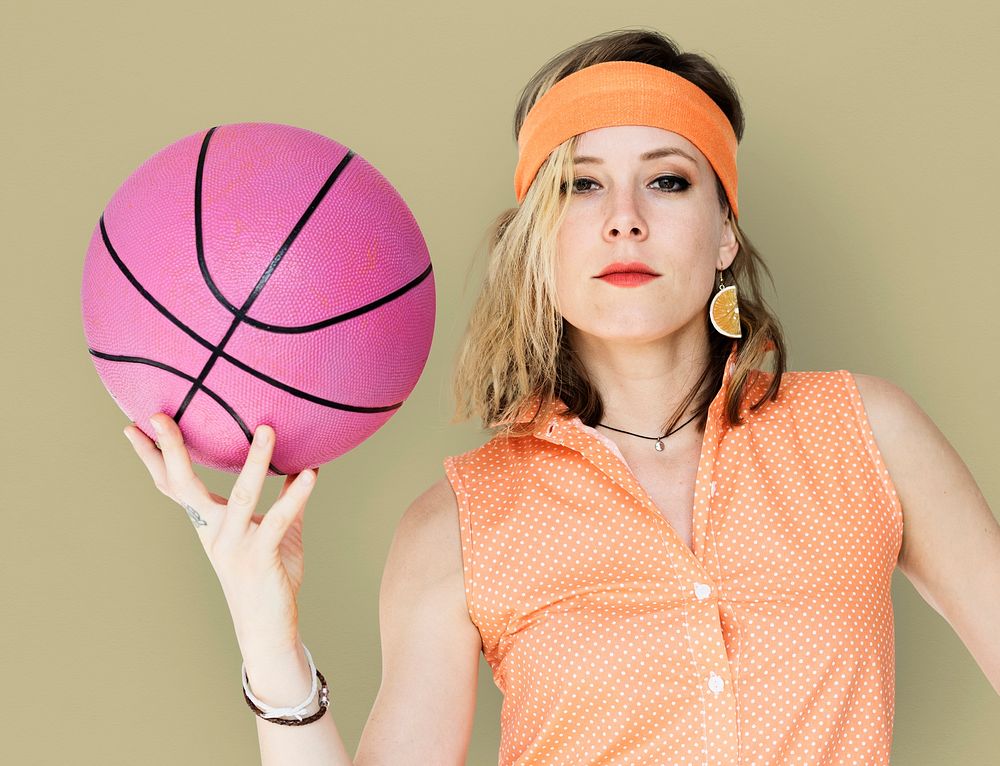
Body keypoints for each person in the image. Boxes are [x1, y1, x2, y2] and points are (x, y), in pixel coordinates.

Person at [123, 27, 1000, 766]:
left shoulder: (865, 433)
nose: (625, 217)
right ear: (537, 240)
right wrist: (268, 644)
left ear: (727, 231)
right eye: (581, 184)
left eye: (668, 180)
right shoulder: (458, 523)